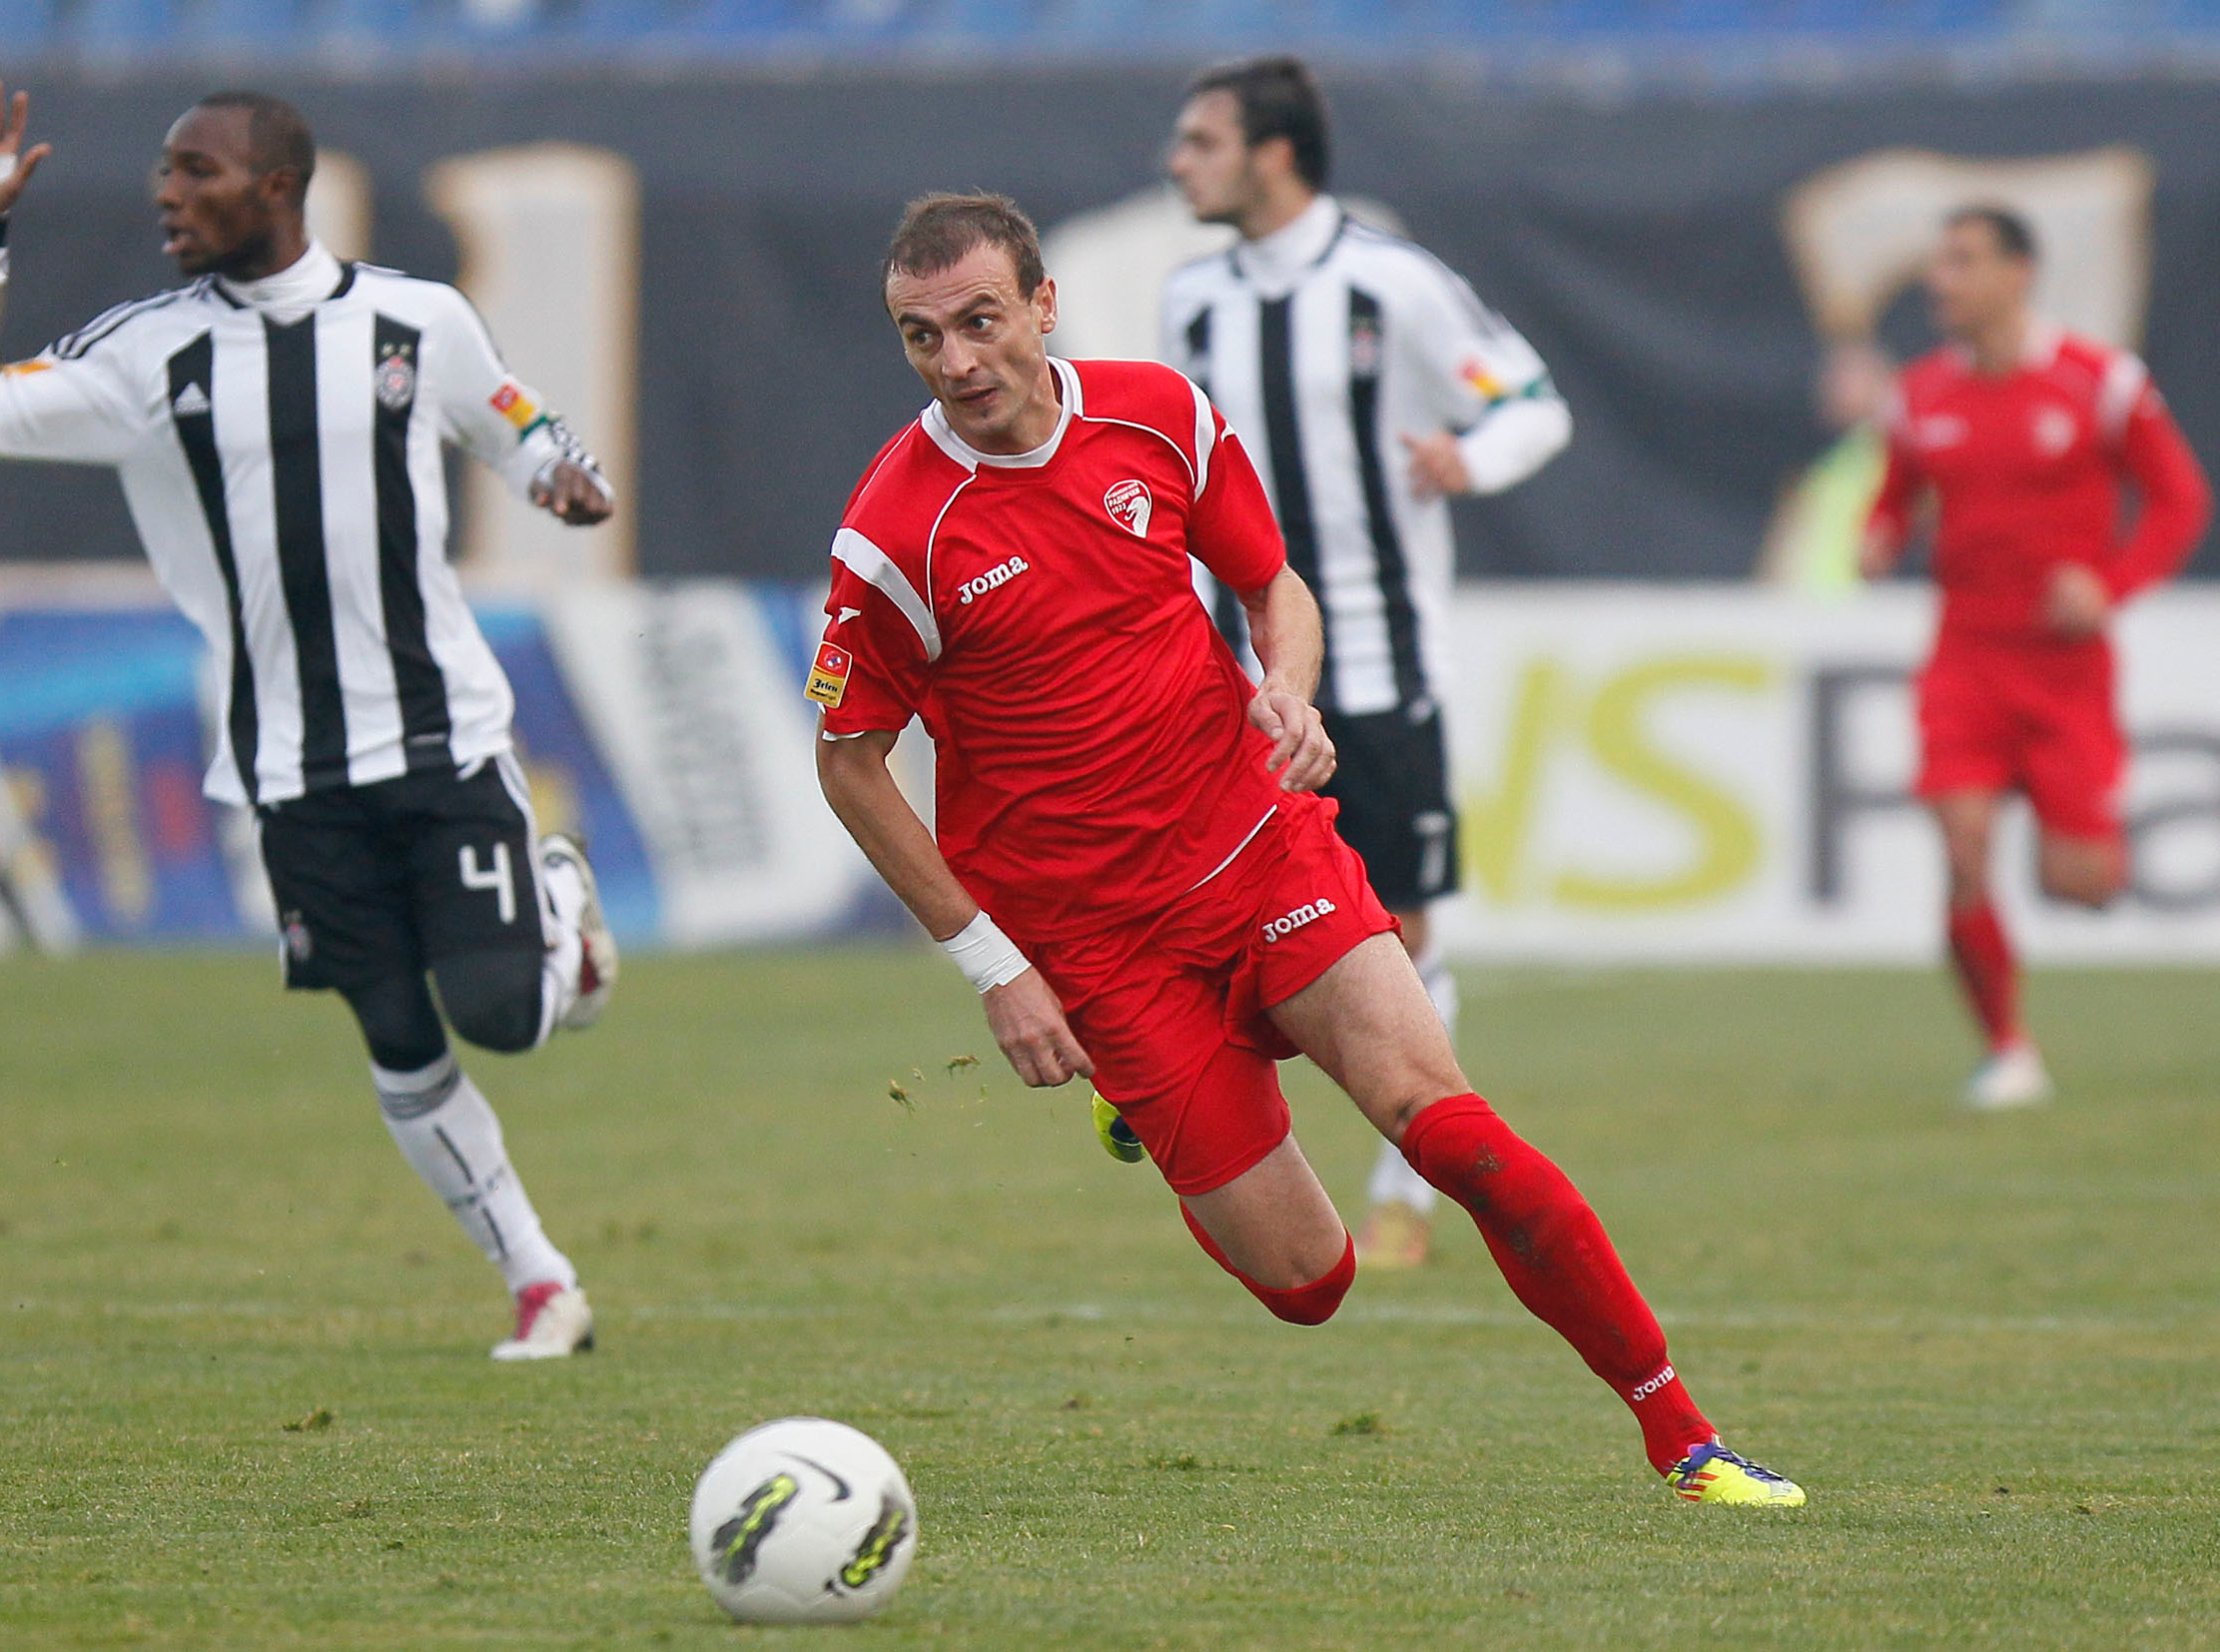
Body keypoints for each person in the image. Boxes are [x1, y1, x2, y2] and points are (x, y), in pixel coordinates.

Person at [812, 191, 1803, 1505]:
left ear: (1044, 307)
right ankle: (1147, 1081)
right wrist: (996, 967)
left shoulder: (1159, 416)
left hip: (1261, 846)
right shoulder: (897, 531)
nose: (956, 362)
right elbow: (848, 758)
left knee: (1455, 1136)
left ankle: (1685, 1437)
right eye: (921, 337)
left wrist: (1290, 688)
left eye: (981, 322)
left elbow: (1273, 585)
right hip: (1098, 943)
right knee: (1310, 1284)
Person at [0, 82, 622, 1358]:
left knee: (504, 1018)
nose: (167, 195)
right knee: (400, 1043)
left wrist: (559, 470)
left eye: (197, 172)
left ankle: (557, 905)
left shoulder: (418, 319)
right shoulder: (146, 355)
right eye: (165, 174)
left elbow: (512, 418)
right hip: (290, 767)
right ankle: (537, 1278)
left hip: (440, 736)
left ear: (277, 187)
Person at [1153, 57, 1572, 1267]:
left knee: (1402, 930)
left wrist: (1469, 460)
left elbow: (1532, 400)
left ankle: (1403, 1196)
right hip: (1234, 679)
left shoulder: (1393, 284)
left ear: (1273, 153)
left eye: (1201, 141)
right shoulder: (1192, 304)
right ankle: (1155, 1081)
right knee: (1199, 916)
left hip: (1381, 672)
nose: (1179, 162)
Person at [1862, 206, 2209, 1109]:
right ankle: (2007, 1049)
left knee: (2079, 884)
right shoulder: (1920, 394)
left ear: (2019, 274)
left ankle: (2096, 853)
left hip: (2065, 668)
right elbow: (1893, 497)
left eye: (1964, 261)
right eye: (1940, 260)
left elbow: (2178, 500)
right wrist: (1878, 534)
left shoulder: (2100, 384)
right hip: (1965, 659)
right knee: (1964, 846)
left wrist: (2112, 584)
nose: (1943, 279)